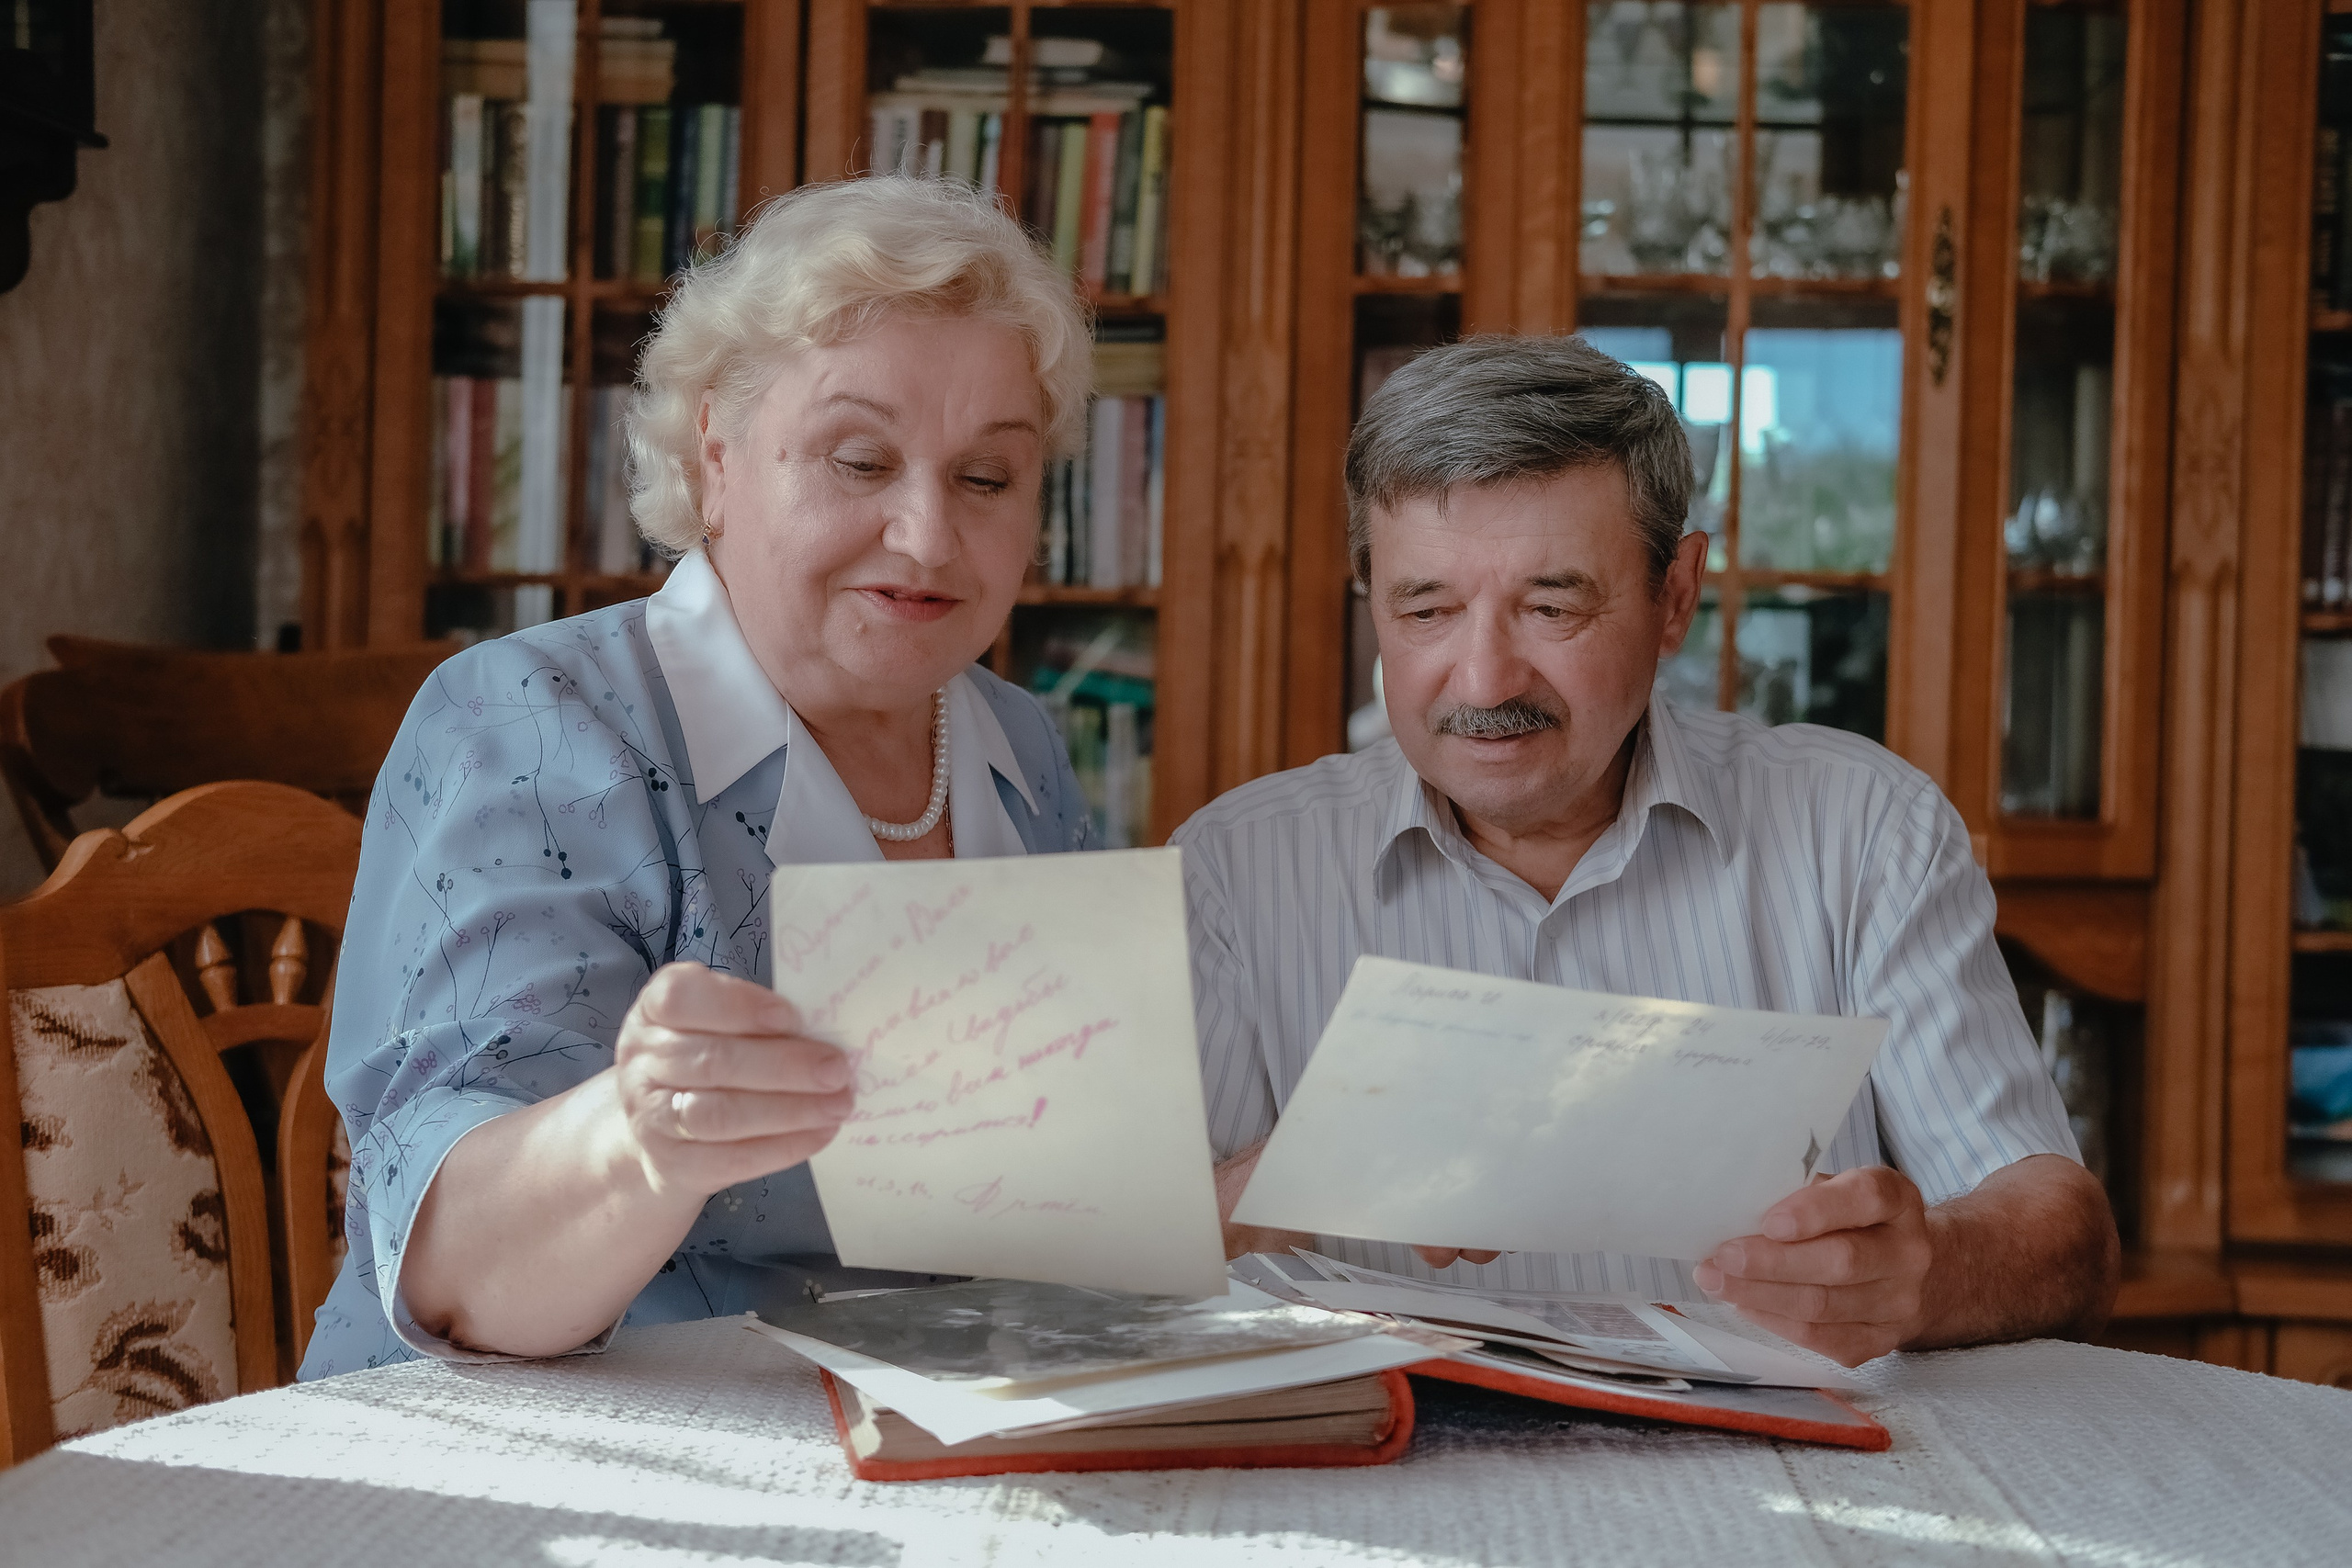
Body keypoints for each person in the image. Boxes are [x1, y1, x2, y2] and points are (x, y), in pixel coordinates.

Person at [1178, 333, 2119, 1368]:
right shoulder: (1231, 871)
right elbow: (1087, 1285)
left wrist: (1924, 1271)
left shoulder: (1863, 831)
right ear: (1371, 598)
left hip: (1784, 1494)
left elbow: (2063, 1234)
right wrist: (1301, 1169)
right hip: (1387, 1486)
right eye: (1427, 609)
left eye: (1552, 605)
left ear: (1674, 596)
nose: (1484, 681)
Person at [299, 177, 1097, 1376]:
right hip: (543, 1473)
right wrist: (637, 1137)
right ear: (716, 456)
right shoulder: (534, 721)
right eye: (859, 458)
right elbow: (455, 1267)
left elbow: (1052, 1194)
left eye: (987, 478)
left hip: (916, 1452)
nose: (931, 536)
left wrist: (1257, 1190)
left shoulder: (1020, 750)